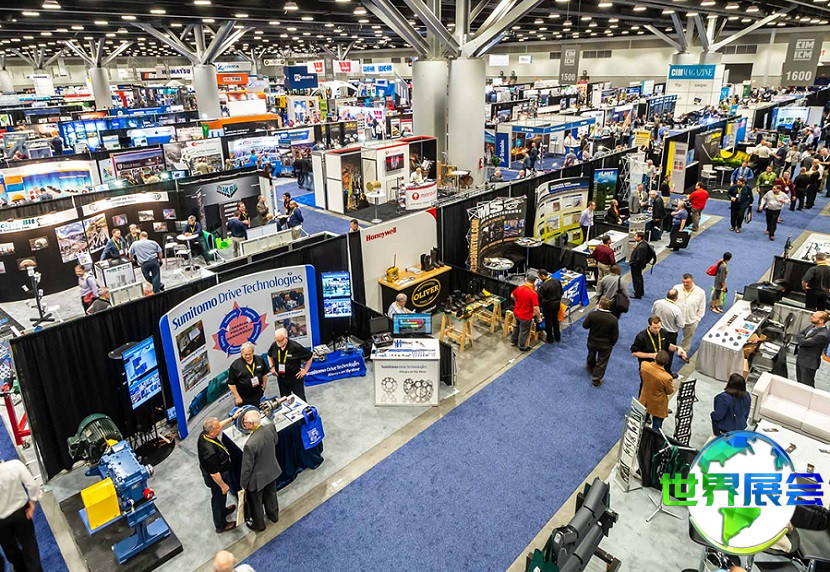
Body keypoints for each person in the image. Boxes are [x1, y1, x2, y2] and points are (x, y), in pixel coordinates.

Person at [240, 410, 281, 532]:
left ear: (251, 424)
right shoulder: (270, 427)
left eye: (245, 422)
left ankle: (259, 525)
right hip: (271, 470)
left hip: (257, 480)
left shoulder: (250, 445)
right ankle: (274, 516)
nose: (243, 423)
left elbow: (247, 468)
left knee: (256, 503)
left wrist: (243, 484)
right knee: (271, 494)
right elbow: (275, 441)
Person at [199, 415, 240, 533]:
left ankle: (223, 511)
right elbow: (214, 474)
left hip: (220, 473)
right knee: (218, 499)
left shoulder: (204, 434)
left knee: (221, 498)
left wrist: (232, 418)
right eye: (218, 428)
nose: (220, 428)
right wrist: (223, 485)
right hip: (217, 479)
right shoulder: (210, 452)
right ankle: (220, 525)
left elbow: (218, 425)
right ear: (212, 432)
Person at [0, 459, 43, 572]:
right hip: (21, 513)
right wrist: (32, 502)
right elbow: (32, 485)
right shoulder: (14, 465)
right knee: (30, 546)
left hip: (1, 522)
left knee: (10, 550)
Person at [631, 316, 688, 384]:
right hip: (648, 367)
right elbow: (634, 353)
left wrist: (677, 348)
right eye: (655, 328)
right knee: (646, 386)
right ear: (649, 325)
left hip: (660, 367)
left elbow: (667, 345)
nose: (657, 330)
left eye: (659, 327)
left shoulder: (663, 332)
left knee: (658, 385)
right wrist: (652, 355)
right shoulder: (641, 337)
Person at [267, 327, 313, 401]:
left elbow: (310, 356)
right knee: (285, 400)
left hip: (294, 377)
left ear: (286, 338)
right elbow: (269, 355)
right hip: (281, 378)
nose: (278, 342)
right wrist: (271, 367)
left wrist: (305, 370)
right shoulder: (274, 345)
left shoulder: (295, 347)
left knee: (300, 399)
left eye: (280, 340)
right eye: (276, 340)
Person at [582, 297, 619, 387]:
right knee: (602, 362)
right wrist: (611, 344)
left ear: (600, 306)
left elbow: (585, 326)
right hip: (605, 345)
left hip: (592, 341)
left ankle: (590, 368)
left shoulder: (592, 315)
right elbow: (615, 335)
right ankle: (596, 380)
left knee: (591, 355)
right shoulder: (613, 319)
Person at [638, 350, 675, 431]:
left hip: (645, 399)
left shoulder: (644, 365)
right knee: (656, 429)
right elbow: (670, 391)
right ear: (666, 363)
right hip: (658, 405)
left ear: (655, 358)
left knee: (639, 424)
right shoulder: (667, 377)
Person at [794, 310, 830, 387]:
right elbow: (799, 333)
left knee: (807, 384)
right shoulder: (812, 326)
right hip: (801, 358)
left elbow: (804, 343)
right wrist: (803, 338)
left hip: (809, 362)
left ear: (821, 321)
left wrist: (803, 339)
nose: (811, 317)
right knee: (799, 382)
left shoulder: (823, 335)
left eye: (814, 317)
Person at [228, 342, 268, 407]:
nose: (248, 356)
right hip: (244, 398)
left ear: (253, 352)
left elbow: (264, 374)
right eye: (246, 354)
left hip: (258, 394)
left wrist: (264, 386)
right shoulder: (235, 366)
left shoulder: (259, 360)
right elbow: (231, 384)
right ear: (241, 353)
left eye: (250, 354)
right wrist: (237, 397)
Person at [674, 273, 707, 353]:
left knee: (687, 337)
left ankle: (684, 351)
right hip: (676, 318)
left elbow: (702, 307)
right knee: (672, 335)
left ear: (692, 281)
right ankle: (670, 348)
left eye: (688, 282)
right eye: (683, 282)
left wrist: (697, 320)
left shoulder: (700, 292)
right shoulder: (676, 288)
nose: (685, 284)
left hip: (691, 320)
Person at [510, 274, 541, 351]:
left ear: (526, 280)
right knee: (524, 331)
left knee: (516, 326)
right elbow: (536, 307)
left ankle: (513, 341)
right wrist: (539, 317)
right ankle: (522, 346)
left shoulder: (520, 288)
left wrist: (517, 302)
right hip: (525, 316)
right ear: (534, 282)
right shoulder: (533, 293)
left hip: (517, 312)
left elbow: (512, 295)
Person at [537, 269, 562, 344]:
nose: (539, 278)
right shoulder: (557, 281)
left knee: (548, 322)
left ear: (542, 276)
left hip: (548, 305)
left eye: (539, 277)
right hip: (557, 303)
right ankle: (557, 337)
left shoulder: (544, 286)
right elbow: (561, 292)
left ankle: (550, 339)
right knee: (555, 319)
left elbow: (538, 296)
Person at [629, 231, 656, 299]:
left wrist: (634, 263)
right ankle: (640, 291)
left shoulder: (641, 247)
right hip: (639, 265)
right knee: (639, 278)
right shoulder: (644, 243)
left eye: (635, 236)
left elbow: (639, 259)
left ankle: (637, 294)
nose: (634, 237)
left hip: (636, 266)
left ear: (639, 237)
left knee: (636, 279)